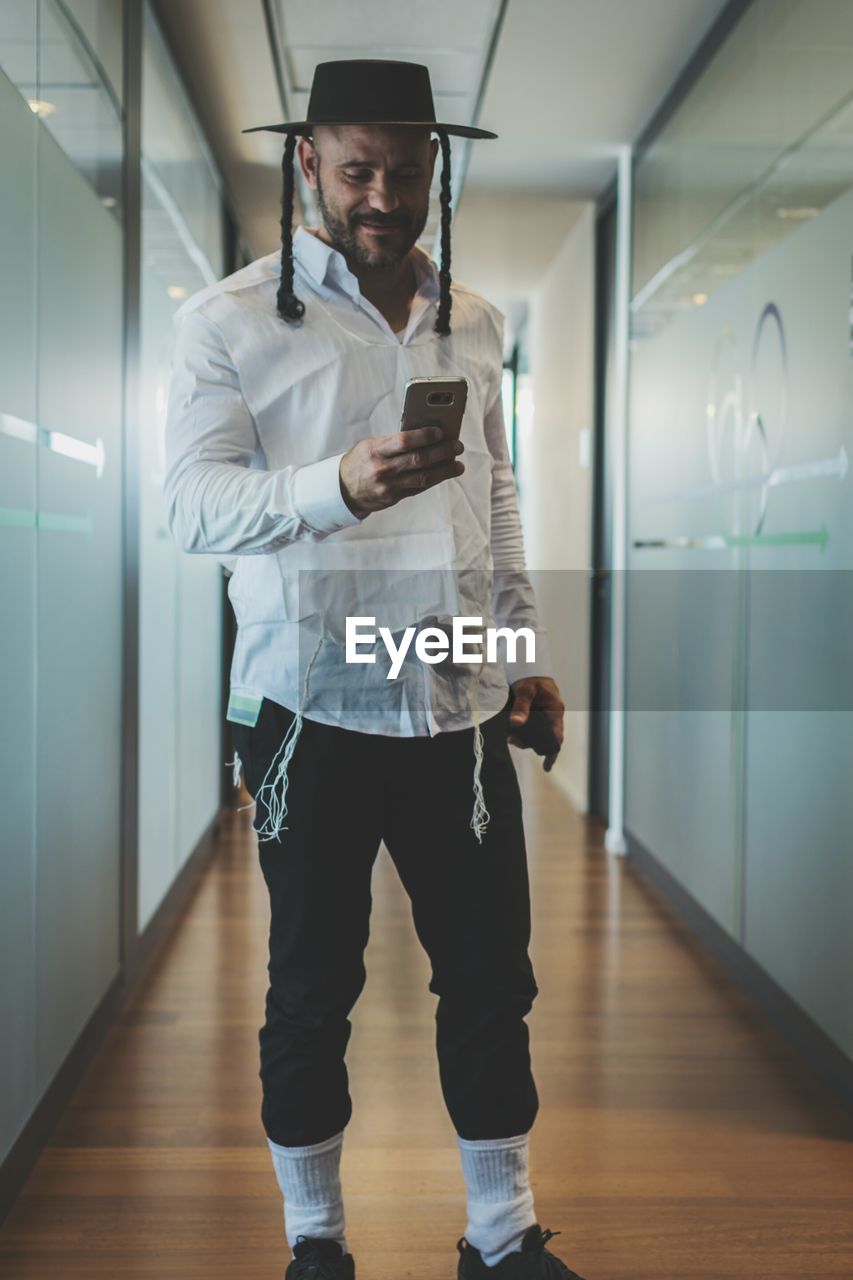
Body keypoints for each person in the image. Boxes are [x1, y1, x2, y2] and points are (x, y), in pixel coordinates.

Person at [164, 58, 584, 1280]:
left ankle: (500, 1236)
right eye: (356, 170)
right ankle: (316, 1242)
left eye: (406, 170)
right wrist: (329, 486)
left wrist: (522, 653)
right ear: (307, 162)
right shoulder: (229, 319)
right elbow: (190, 505)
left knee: (492, 979)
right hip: (308, 710)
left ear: (436, 165)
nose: (382, 195)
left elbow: (492, 499)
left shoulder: (477, 319)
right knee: (311, 989)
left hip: (451, 703)